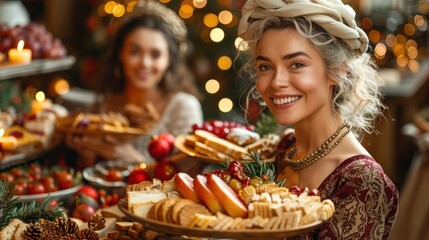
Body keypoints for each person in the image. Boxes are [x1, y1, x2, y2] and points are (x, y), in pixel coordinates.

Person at [237, 0, 399, 238]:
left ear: (338, 70)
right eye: (265, 67)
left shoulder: (361, 182)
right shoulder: (284, 150)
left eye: (297, 64)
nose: (276, 82)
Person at [66, 0, 203, 171]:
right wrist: (87, 157)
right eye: (134, 52)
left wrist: (134, 160)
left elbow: (188, 177)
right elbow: (98, 175)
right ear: (120, 54)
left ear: (169, 60)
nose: (144, 63)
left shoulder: (183, 108)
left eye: (156, 54)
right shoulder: (107, 104)